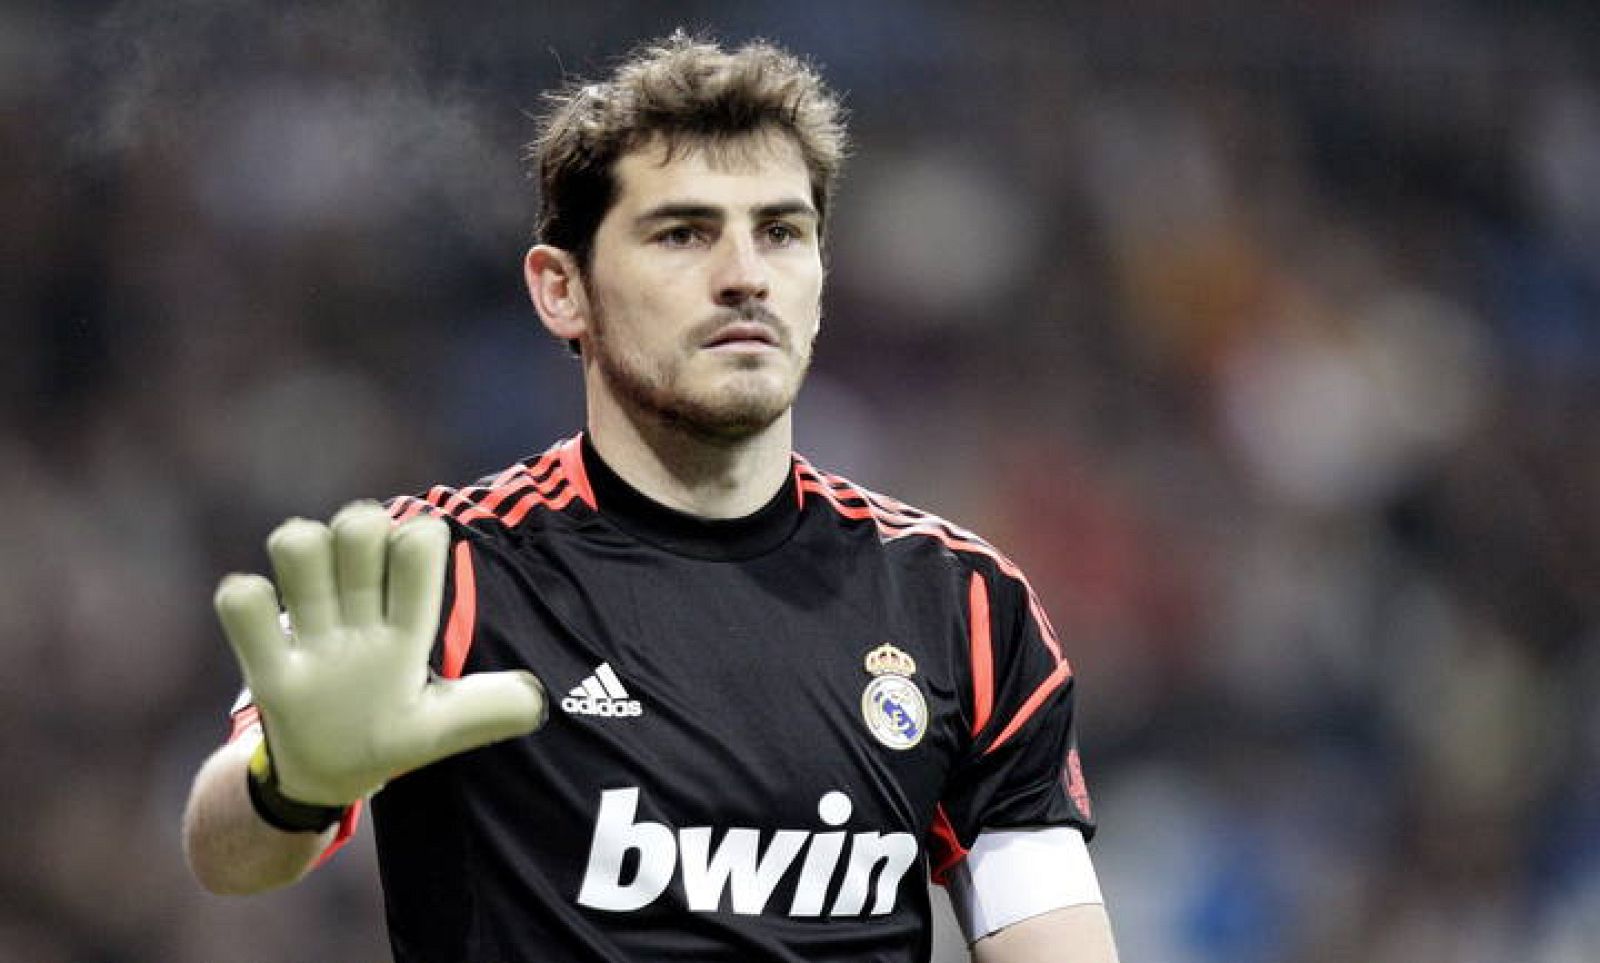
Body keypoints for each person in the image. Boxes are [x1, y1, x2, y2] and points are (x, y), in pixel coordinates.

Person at [181, 32, 1120, 963]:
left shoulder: (961, 603)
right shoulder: (438, 568)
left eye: (782, 232)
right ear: (563, 290)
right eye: (684, 232)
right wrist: (291, 782)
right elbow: (229, 855)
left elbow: (1055, 940)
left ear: (821, 281)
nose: (746, 273)